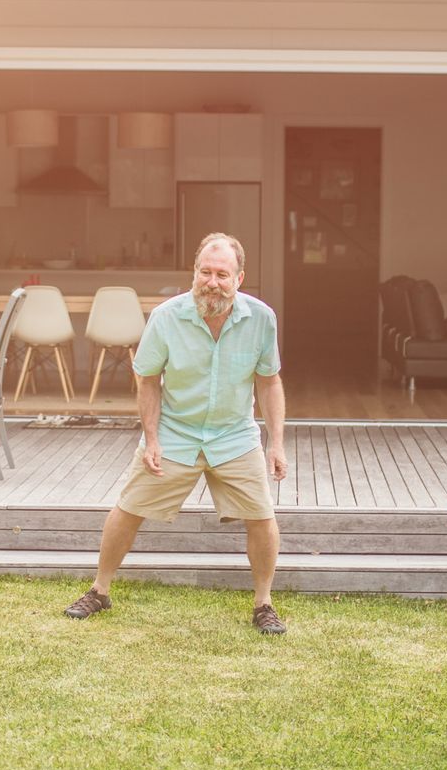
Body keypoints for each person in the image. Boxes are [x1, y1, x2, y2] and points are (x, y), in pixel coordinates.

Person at [62, 232, 291, 633]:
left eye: (222, 274)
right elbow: (148, 379)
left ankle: (263, 604)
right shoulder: (166, 316)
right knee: (128, 507)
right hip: (176, 431)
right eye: (205, 272)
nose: (212, 282)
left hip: (234, 434)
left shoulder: (261, 319)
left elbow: (269, 382)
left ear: (239, 278)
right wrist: (152, 439)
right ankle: (99, 590)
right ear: (194, 272)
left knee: (262, 516)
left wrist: (277, 443)